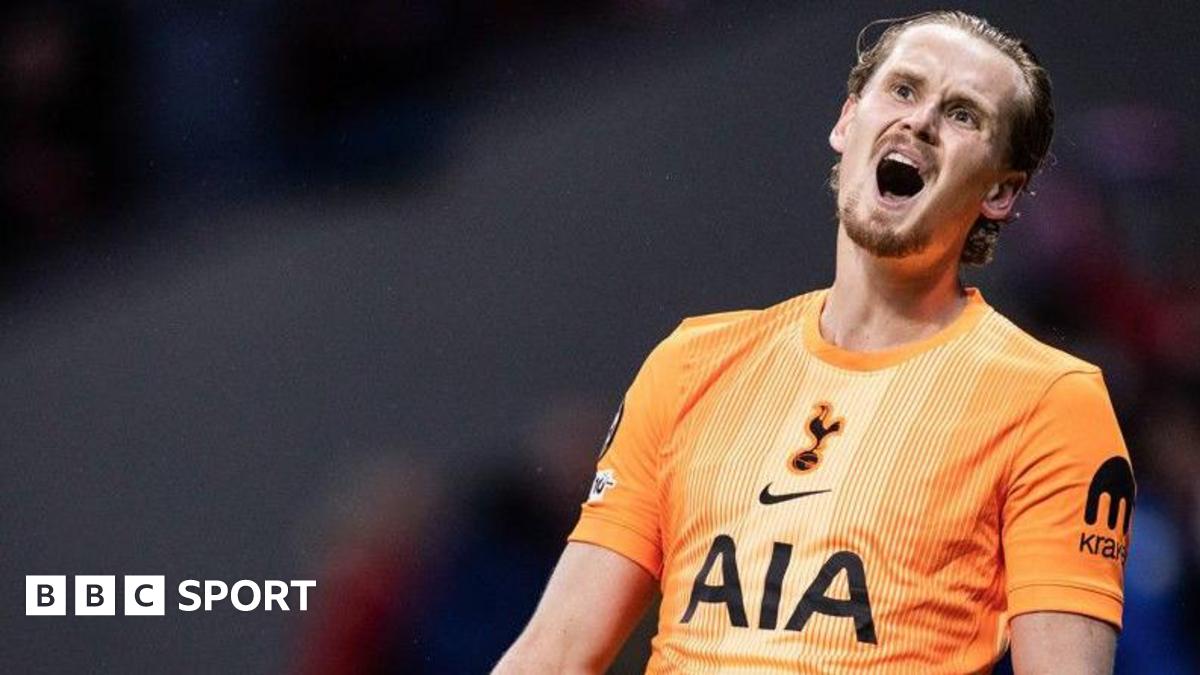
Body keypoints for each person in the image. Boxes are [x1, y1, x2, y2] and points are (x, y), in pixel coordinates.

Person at [494, 10, 1133, 674]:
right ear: (846, 121)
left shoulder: (1050, 402)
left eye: (964, 115)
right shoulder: (691, 363)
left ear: (1000, 191)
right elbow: (556, 652)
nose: (920, 121)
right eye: (904, 90)